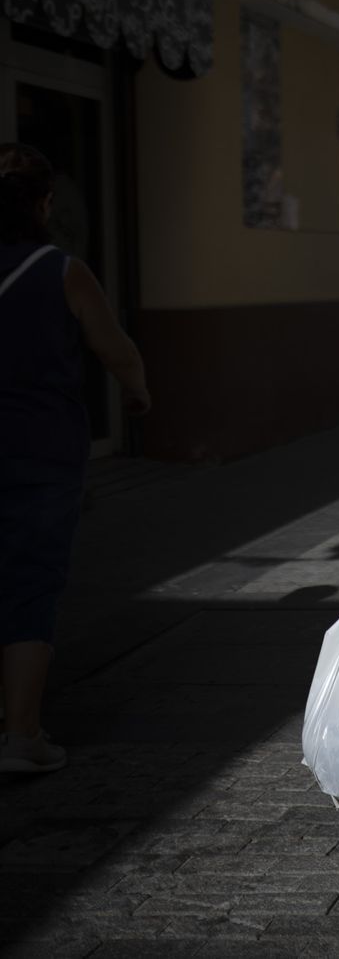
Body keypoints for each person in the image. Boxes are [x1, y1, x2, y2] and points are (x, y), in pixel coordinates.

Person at [0, 143, 150, 774]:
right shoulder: (60, 269)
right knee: (31, 583)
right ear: (44, 204)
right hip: (40, 451)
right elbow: (113, 348)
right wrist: (139, 390)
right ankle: (22, 736)